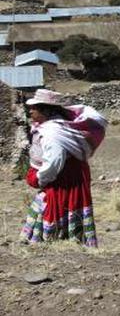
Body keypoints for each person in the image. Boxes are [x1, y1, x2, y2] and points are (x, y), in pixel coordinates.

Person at [21, 89, 107, 247]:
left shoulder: (53, 132)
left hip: (64, 177)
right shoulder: (59, 126)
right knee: (66, 205)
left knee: (57, 204)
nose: (30, 111)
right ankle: (68, 239)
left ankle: (54, 241)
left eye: (34, 108)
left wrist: (40, 178)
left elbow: (54, 162)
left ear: (46, 110)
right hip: (73, 174)